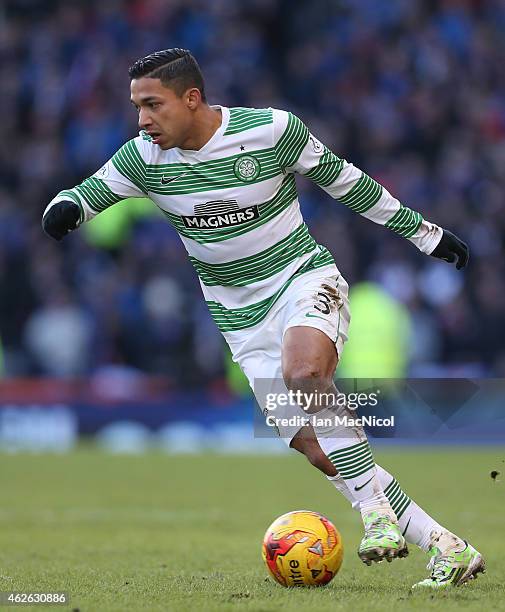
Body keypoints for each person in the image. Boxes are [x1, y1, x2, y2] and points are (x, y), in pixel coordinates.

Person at [42, 48, 484, 588]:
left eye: (152, 105)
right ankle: (448, 546)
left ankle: (375, 517)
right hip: (240, 319)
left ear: (192, 98)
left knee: (305, 375)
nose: (142, 120)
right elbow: (85, 194)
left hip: (302, 280)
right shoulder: (143, 159)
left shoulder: (273, 131)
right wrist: (62, 210)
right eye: (136, 107)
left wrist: (427, 234)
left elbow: (349, 182)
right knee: (319, 451)